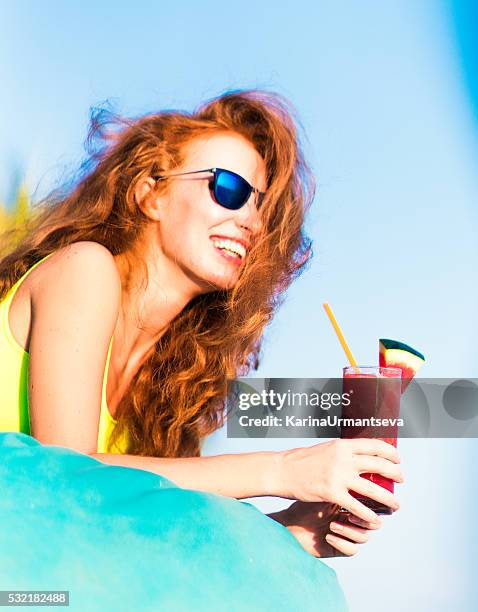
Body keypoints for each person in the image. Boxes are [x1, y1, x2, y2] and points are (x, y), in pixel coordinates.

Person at [0, 89, 403, 559]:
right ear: (150, 193)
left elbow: (140, 533)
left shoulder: (169, 385)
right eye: (228, 189)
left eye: (262, 208)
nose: (250, 221)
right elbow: (69, 476)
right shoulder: (84, 270)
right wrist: (281, 469)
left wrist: (291, 530)